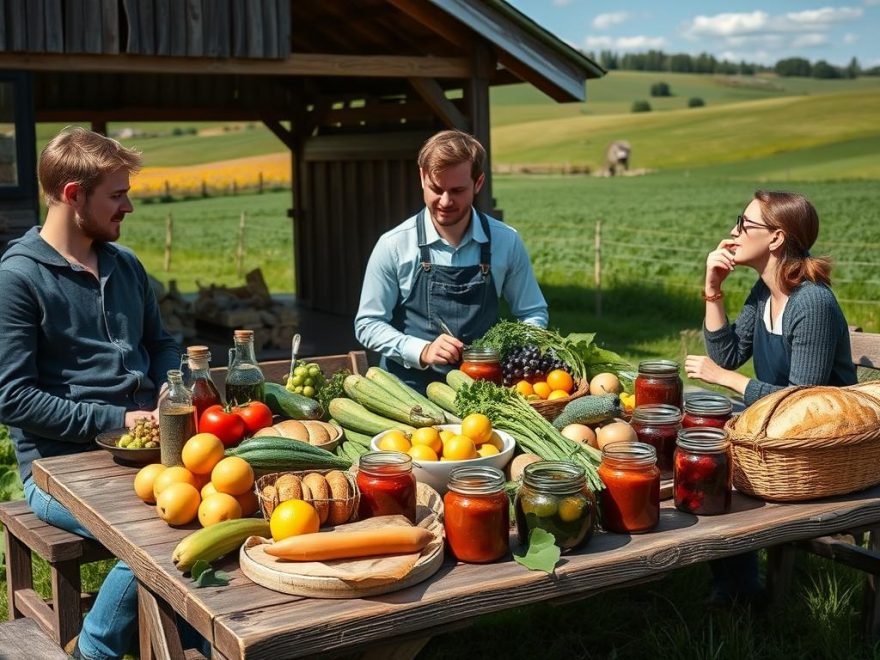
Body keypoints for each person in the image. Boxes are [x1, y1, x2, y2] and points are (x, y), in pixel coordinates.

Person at [0, 127, 182, 659]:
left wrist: (173, 388)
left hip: (149, 451)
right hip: (59, 470)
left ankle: (196, 640)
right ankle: (94, 652)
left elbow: (163, 344)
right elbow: (11, 397)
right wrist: (114, 420)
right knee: (159, 530)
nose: (128, 206)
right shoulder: (18, 279)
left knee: (217, 511)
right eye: (117, 194)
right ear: (74, 195)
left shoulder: (125, 265)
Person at [684, 190, 857, 605]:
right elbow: (726, 353)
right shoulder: (764, 294)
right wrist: (713, 288)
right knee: (695, 430)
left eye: (744, 225)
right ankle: (734, 579)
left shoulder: (810, 302)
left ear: (776, 239)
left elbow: (803, 400)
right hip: (777, 428)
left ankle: (738, 585)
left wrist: (728, 380)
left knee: (714, 457)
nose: (732, 232)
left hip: (823, 443)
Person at [355, 129, 548, 392]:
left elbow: (532, 312)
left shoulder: (506, 242)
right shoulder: (394, 245)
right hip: (407, 395)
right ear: (423, 178)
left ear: (478, 183)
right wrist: (421, 350)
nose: (445, 201)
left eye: (457, 191)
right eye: (437, 189)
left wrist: (511, 351)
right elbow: (367, 324)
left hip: (484, 392)